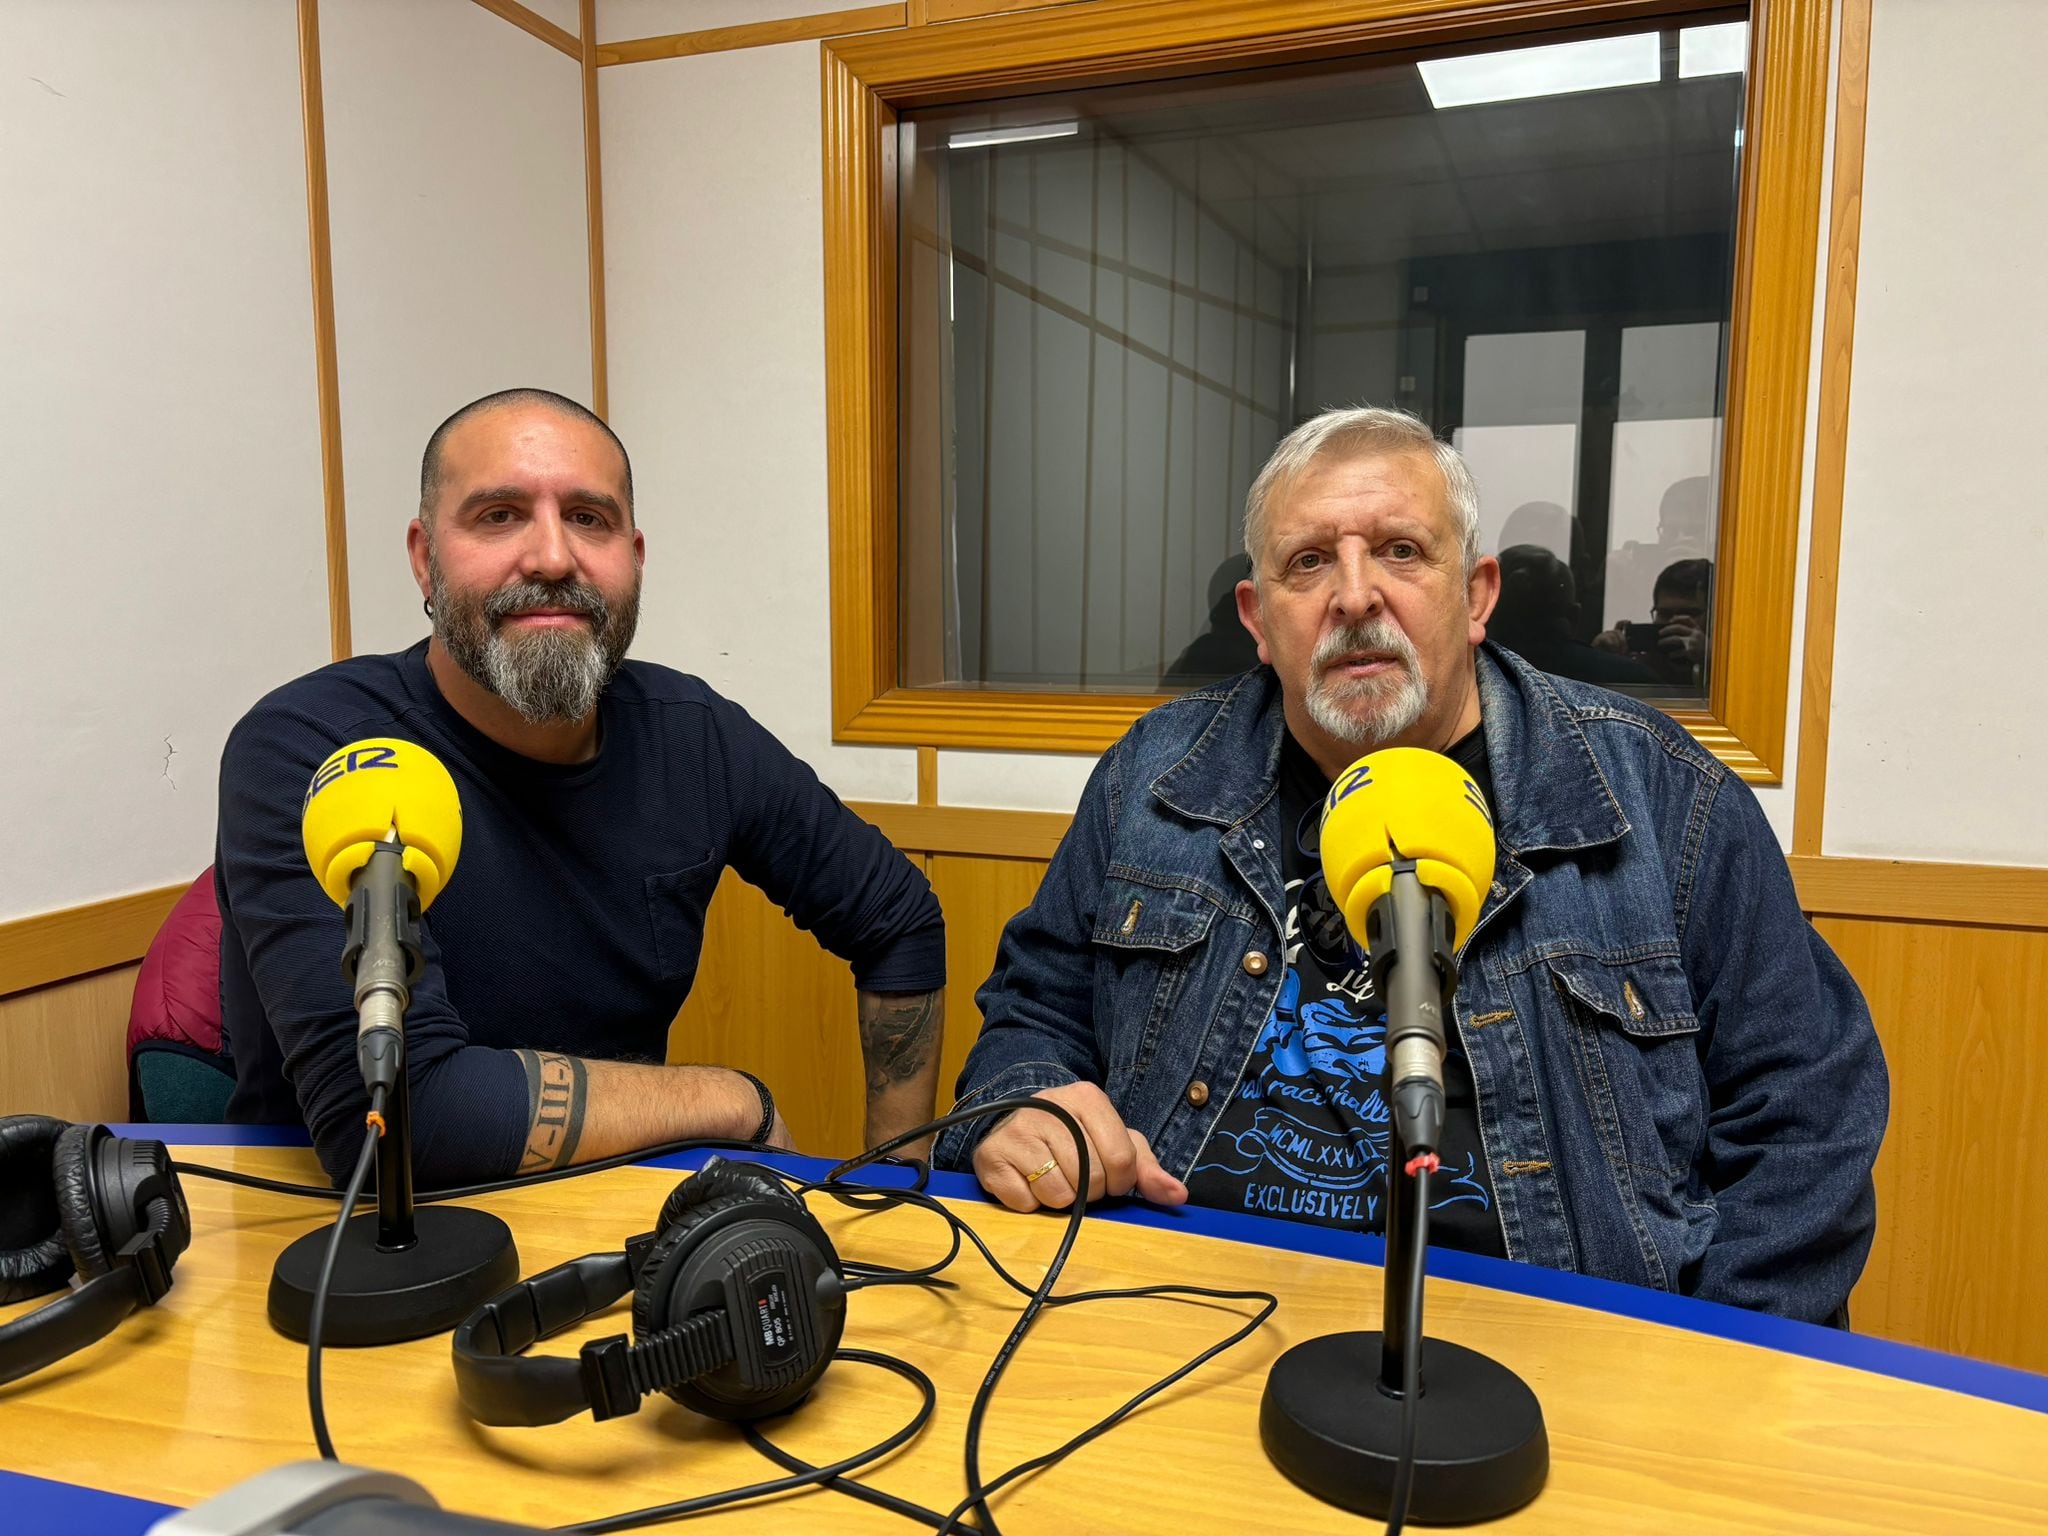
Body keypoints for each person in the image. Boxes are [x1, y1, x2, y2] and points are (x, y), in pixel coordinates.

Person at [936, 406, 1886, 1324]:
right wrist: (1022, 1104)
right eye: (1309, 562)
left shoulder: (1660, 799)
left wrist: (1705, 1365)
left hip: (1556, 1353)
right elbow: (1034, 1012)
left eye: (1400, 550)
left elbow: (1808, 1110)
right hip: (1181, 1309)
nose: (1355, 596)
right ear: (1259, 619)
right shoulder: (1155, 777)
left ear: (1475, 596)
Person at [216, 389, 946, 1186]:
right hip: (328, 1244)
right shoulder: (317, 748)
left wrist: (897, 1184)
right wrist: (730, 1099)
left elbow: (897, 918)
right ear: (425, 556)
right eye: (498, 515)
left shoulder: (696, 737)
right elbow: (397, 1119)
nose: (553, 558)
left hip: (610, 1222)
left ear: (633, 556)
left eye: (589, 519)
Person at [1595, 557, 1712, 691]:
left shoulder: (1728, 664)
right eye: (1664, 614)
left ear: (1713, 617)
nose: (1674, 623)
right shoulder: (1642, 666)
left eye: (1688, 613)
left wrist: (1710, 662)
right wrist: (1603, 661)